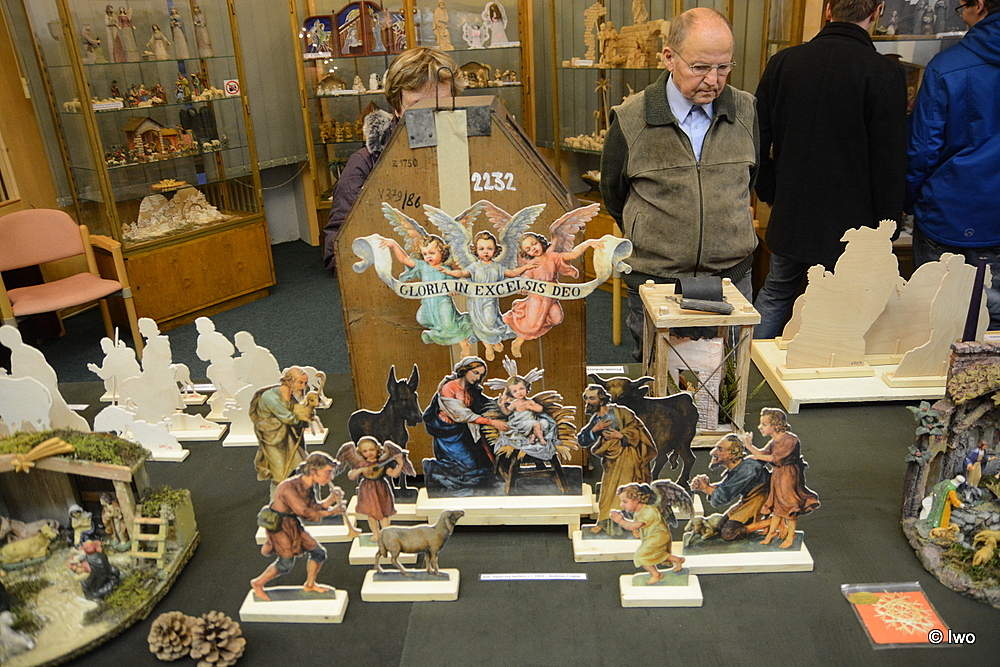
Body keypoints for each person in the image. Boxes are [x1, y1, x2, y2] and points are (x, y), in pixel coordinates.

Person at [600, 7, 758, 360]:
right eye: (700, 67)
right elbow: (613, 193)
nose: (713, 80)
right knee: (659, 381)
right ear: (669, 58)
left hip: (731, 281)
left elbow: (749, 179)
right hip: (656, 283)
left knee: (730, 376)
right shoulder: (631, 118)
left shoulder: (746, 111)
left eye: (724, 67)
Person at [752, 0, 908, 339]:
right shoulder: (885, 73)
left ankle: (744, 368)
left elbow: (756, 140)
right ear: (877, 12)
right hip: (854, 225)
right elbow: (889, 161)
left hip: (791, 211)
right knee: (847, 310)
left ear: (828, 10)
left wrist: (770, 191)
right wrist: (888, 227)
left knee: (776, 294)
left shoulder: (784, 63)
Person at [323, 47, 465, 272]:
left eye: (441, 106)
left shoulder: (472, 153)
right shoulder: (365, 163)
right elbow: (339, 254)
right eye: (418, 106)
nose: (431, 117)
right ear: (397, 107)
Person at [906, 0, 1000, 330]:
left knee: (935, 321)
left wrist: (913, 200)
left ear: (979, 5)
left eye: (961, 7)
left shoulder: (946, 66)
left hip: (948, 212)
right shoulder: (946, 66)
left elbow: (922, 151)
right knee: (994, 327)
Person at [251, 452, 344, 601]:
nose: (330, 477)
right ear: (313, 470)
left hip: (292, 524)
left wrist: (330, 500)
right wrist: (331, 512)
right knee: (286, 563)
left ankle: (310, 585)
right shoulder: (288, 487)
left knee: (318, 553)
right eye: (327, 472)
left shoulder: (309, 486)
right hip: (280, 526)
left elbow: (314, 507)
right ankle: (257, 583)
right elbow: (304, 512)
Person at [502, 230, 604, 358]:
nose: (533, 249)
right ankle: (518, 341)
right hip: (537, 298)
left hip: (551, 297)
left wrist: (588, 243)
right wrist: (524, 286)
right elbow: (527, 277)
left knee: (557, 318)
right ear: (526, 253)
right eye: (528, 249)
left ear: (540, 242)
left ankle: (537, 322)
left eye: (534, 244)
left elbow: (573, 255)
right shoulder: (532, 264)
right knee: (532, 325)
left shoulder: (553, 257)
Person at [422, 357, 510, 493]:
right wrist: (493, 422)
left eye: (481, 375)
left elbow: (483, 404)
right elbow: (462, 415)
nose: (478, 378)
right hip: (447, 433)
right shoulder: (448, 388)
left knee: (481, 463)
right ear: (464, 370)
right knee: (467, 465)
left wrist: (501, 403)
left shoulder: (471, 389)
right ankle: (431, 467)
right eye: (475, 373)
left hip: (463, 431)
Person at [577, 384, 656, 534]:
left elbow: (638, 430)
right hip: (611, 460)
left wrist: (621, 436)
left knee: (628, 491)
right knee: (608, 492)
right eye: (586, 398)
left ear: (601, 399)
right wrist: (595, 429)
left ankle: (634, 526)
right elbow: (582, 440)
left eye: (592, 398)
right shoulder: (596, 419)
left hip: (628, 456)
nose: (588, 402)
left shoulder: (622, 412)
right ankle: (604, 522)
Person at [380, 234, 474, 353]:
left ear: (442, 252)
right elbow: (405, 260)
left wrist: (453, 290)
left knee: (449, 324)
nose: (428, 256)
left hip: (443, 302)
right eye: (425, 254)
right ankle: (438, 333)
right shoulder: (422, 266)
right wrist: (394, 244)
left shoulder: (446, 270)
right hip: (428, 303)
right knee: (421, 318)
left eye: (432, 253)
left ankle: (464, 345)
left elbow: (454, 285)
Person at [745, 407, 820, 549]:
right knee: (777, 507)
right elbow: (763, 454)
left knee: (789, 506)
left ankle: (790, 535)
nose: (760, 427)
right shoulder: (774, 442)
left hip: (789, 476)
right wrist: (749, 445)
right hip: (778, 475)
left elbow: (776, 458)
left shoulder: (791, 440)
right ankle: (770, 534)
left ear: (776, 425)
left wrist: (757, 456)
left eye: (764, 424)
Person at [690, 434, 771, 541]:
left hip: (761, 502)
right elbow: (726, 487)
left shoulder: (748, 469)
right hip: (750, 500)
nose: (713, 452)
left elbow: (725, 495)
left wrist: (706, 488)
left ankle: (769, 522)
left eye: (720, 449)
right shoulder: (738, 468)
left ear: (733, 454)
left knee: (729, 533)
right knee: (720, 526)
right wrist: (706, 486)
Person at [611, 483, 685, 583]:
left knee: (640, 555)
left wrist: (620, 520)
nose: (621, 505)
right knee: (657, 554)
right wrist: (636, 531)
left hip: (658, 537)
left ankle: (656, 574)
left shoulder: (648, 511)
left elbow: (633, 525)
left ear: (636, 500)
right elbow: (640, 526)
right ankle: (678, 560)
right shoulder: (640, 512)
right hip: (655, 536)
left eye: (625, 501)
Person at [251, 367, 310, 492]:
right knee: (280, 470)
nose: (303, 387)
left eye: (305, 383)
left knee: (298, 463)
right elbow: (288, 418)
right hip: (274, 437)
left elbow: (295, 411)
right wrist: (302, 420)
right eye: (300, 382)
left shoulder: (289, 394)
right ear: (289, 381)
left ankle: (296, 493)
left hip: (288, 436)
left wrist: (306, 412)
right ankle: (279, 498)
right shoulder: (271, 398)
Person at [346, 436, 403, 539]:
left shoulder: (382, 464)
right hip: (367, 490)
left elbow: (394, 474)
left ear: (377, 449)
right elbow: (351, 476)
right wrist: (361, 470)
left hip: (381, 489)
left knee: (383, 514)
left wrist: (400, 464)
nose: (369, 453)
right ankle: (376, 534)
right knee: (371, 515)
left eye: (371, 450)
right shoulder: (362, 464)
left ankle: (386, 535)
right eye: (365, 451)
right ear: (360, 452)